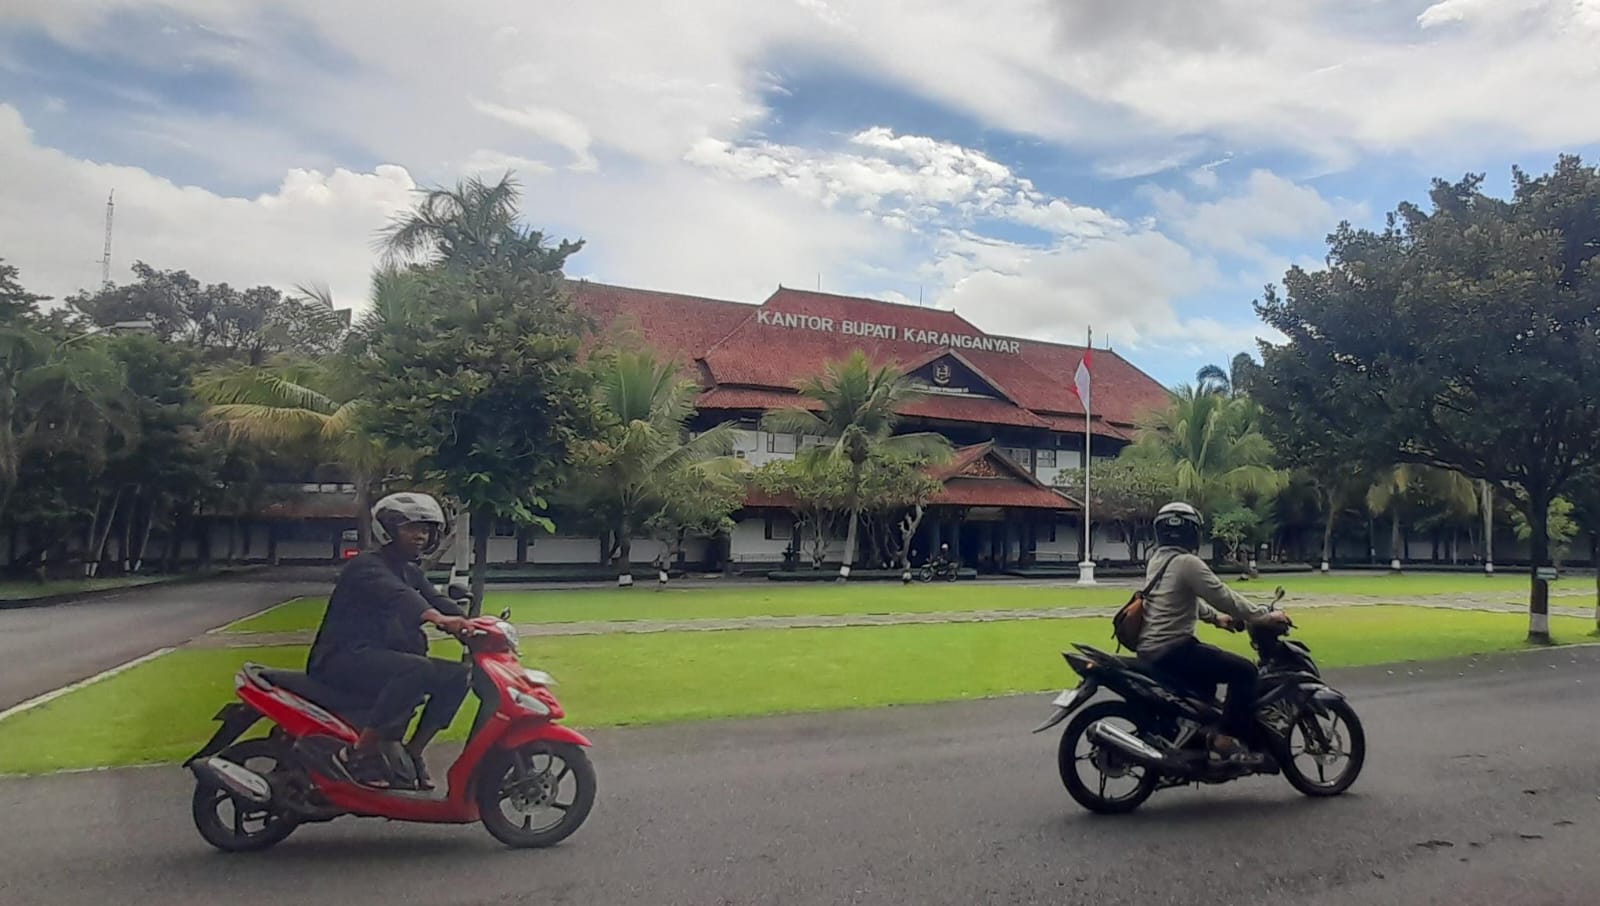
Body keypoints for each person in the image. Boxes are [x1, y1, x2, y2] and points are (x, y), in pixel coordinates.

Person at [307, 492, 472, 790]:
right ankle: (358, 754)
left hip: (377, 657)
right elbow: (401, 596)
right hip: (342, 658)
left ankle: (413, 751)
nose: (420, 535)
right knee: (415, 669)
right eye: (411, 528)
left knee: (459, 675)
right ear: (389, 530)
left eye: (425, 529)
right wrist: (438, 620)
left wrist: (471, 624)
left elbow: (435, 597)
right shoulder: (366, 566)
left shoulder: (409, 570)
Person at [1137, 501, 1290, 764]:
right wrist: (1263, 616)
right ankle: (1226, 738)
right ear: (1192, 532)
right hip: (1174, 649)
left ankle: (1197, 737)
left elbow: (1184, 599)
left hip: (1151, 649)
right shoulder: (1187, 562)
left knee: (1206, 687)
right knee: (1244, 671)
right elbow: (1223, 596)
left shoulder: (1158, 560)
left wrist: (1216, 620)